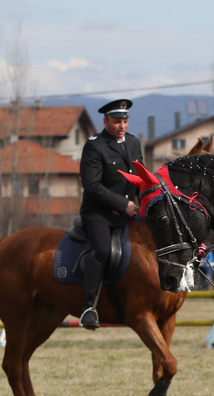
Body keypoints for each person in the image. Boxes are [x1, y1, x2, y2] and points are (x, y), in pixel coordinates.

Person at [77, 99, 142, 329]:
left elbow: (139, 179)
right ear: (105, 121)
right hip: (99, 213)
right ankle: (88, 307)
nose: (121, 126)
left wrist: (146, 203)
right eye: (116, 121)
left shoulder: (133, 143)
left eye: (124, 121)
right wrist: (124, 205)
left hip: (128, 212)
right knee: (103, 250)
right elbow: (92, 185)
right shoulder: (95, 146)